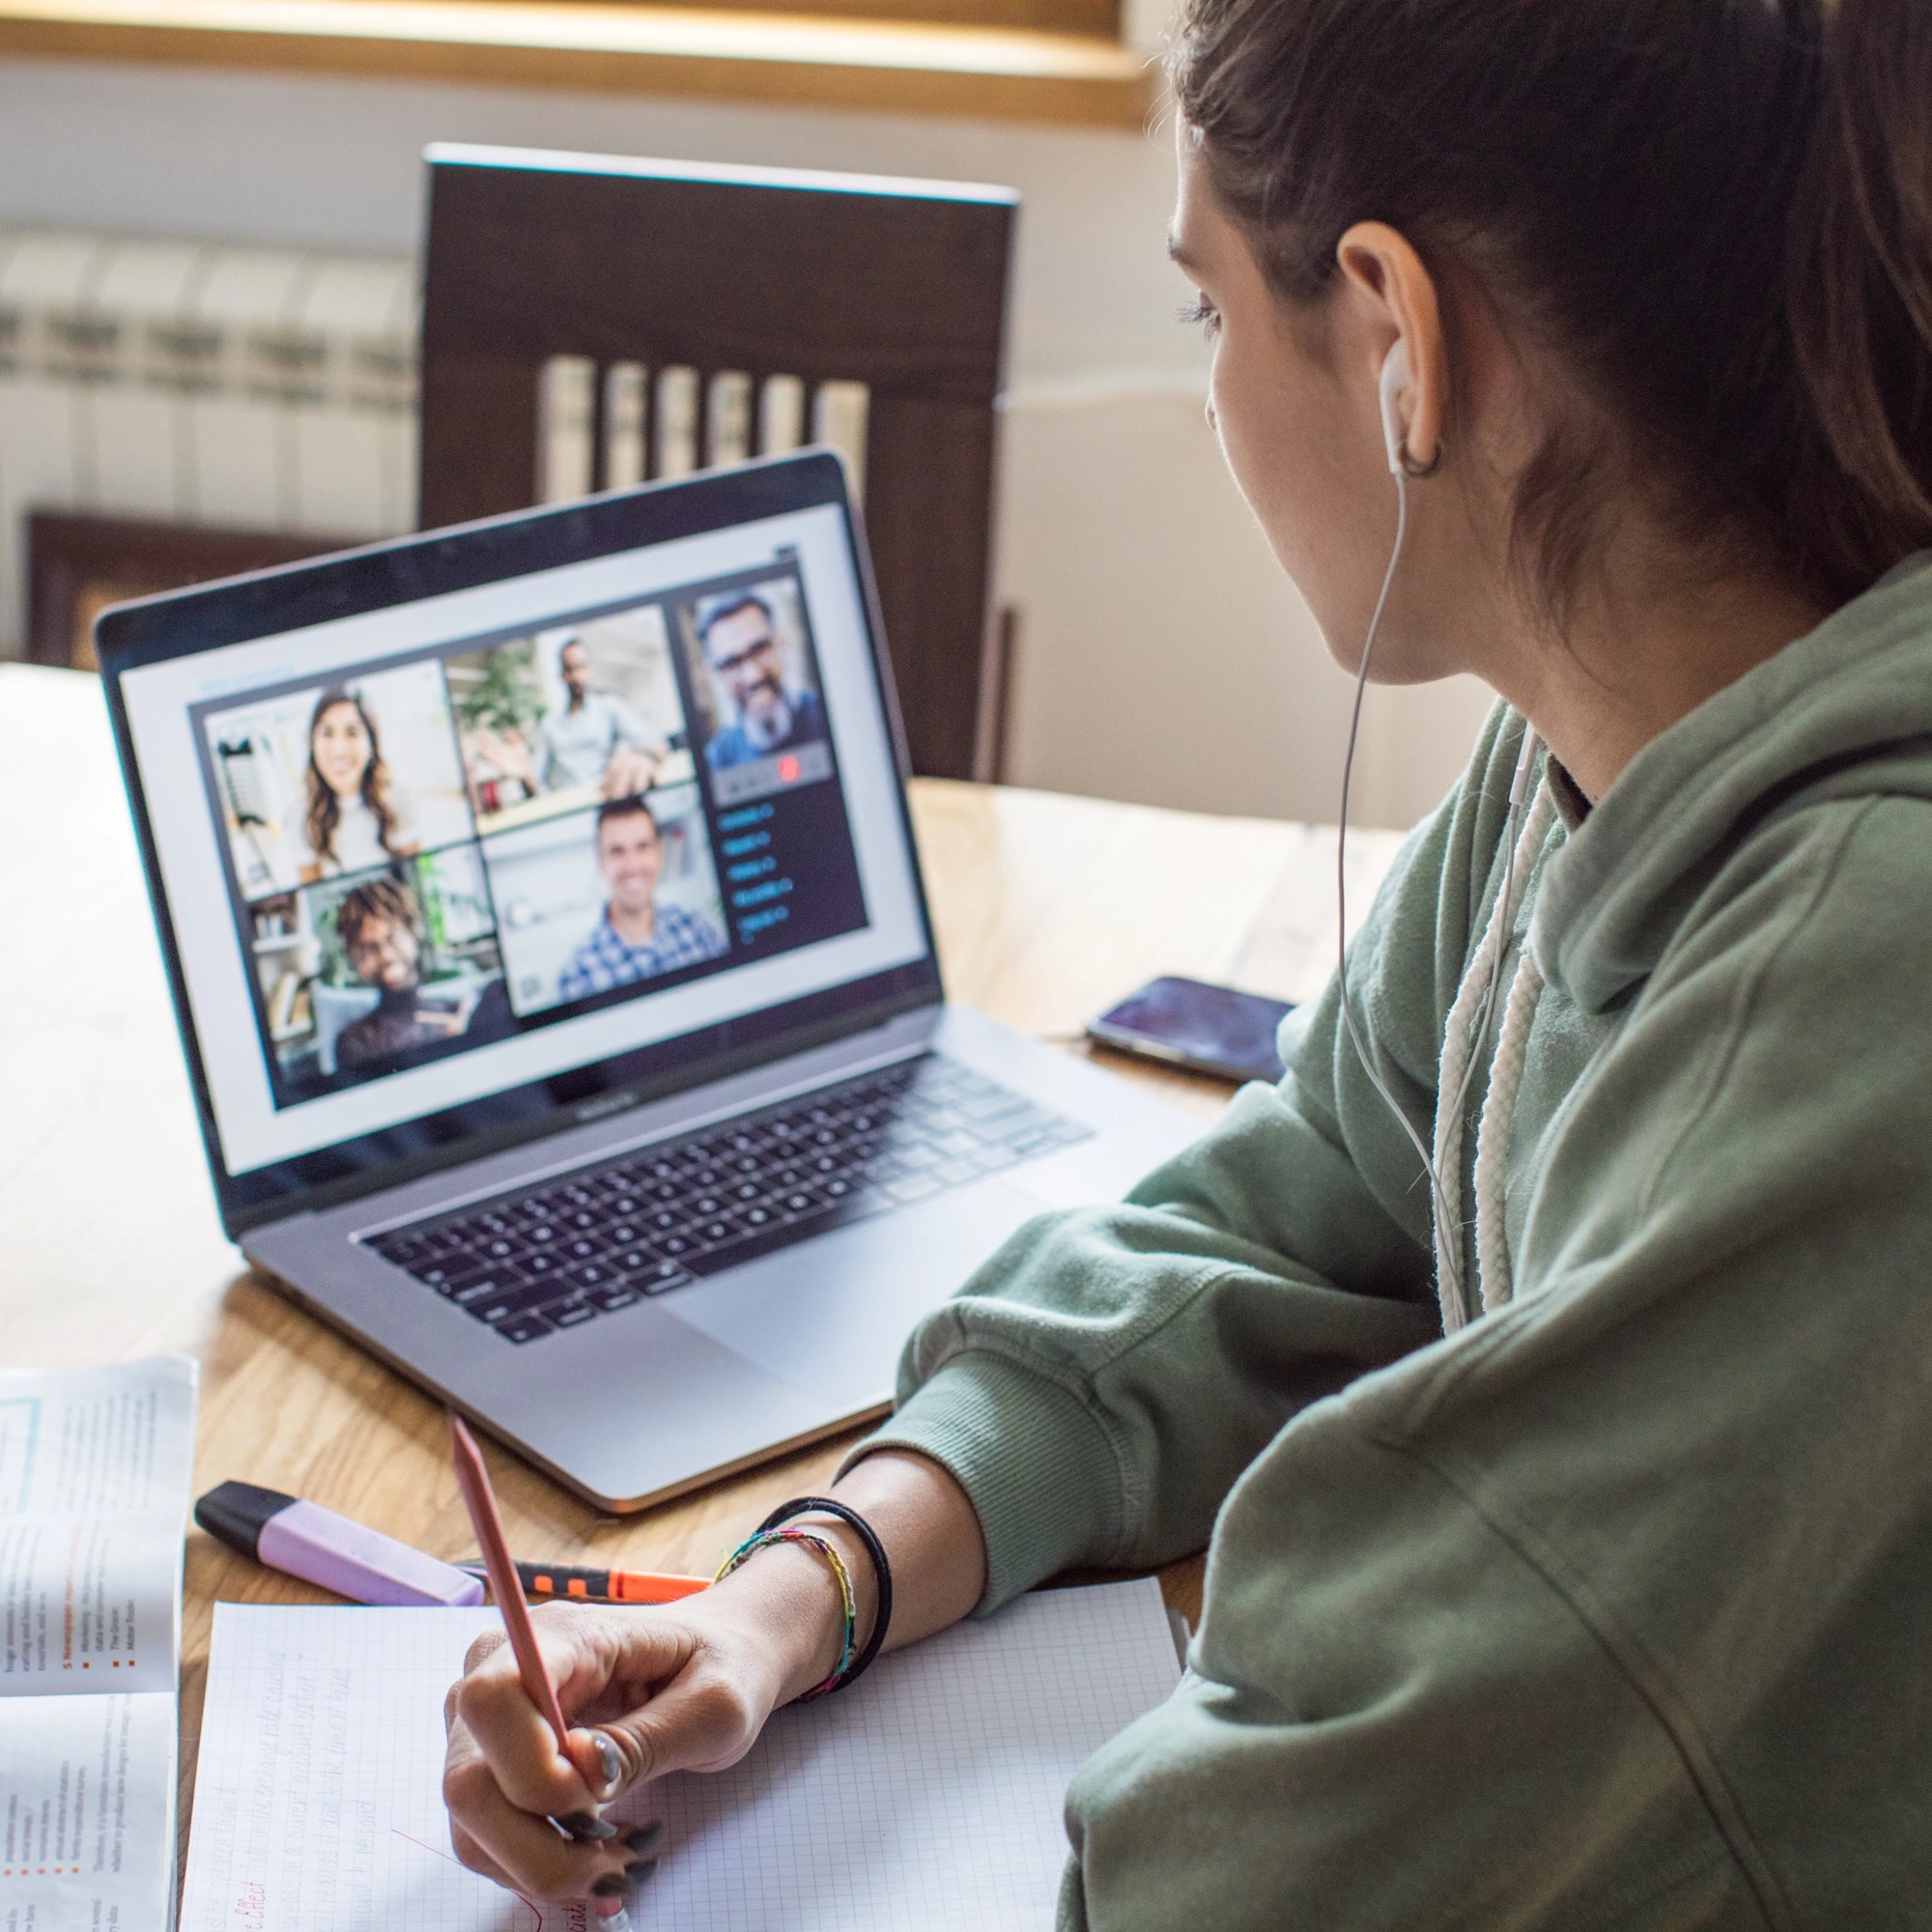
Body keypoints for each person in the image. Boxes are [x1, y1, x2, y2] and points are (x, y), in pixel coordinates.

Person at [441, 1, 1932, 1923]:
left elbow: (1272, 1852)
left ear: (1400, 335)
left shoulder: (1844, 995)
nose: (1213, 379)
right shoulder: (1597, 745)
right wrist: (801, 1590)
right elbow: (1288, 1218)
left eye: (1205, 313)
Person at [332, 874, 510, 1073]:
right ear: (354, 959)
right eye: (369, 948)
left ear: (413, 934)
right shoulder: (356, 1040)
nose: (386, 955)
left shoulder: (459, 1011)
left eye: (392, 938)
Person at [556, 797, 727, 1002]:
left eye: (642, 847)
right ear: (601, 864)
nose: (632, 865)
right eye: (617, 852)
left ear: (659, 853)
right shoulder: (579, 974)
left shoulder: (696, 929)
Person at [298, 689, 418, 882]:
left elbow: (415, 880)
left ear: (371, 744)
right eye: (327, 733)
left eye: (352, 733)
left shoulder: (399, 797)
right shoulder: (299, 815)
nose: (339, 751)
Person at [695, 592, 826, 769]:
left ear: (780, 643)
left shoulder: (828, 715)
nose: (753, 676)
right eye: (732, 663)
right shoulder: (718, 759)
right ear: (714, 674)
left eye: (759, 650)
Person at [533, 637, 666, 796]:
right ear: (562, 675)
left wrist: (641, 756)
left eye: (581, 667)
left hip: (606, 797)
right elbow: (536, 780)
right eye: (569, 669)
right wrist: (523, 775)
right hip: (568, 807)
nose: (576, 676)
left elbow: (655, 741)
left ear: (589, 669)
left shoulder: (609, 707)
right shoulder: (549, 725)